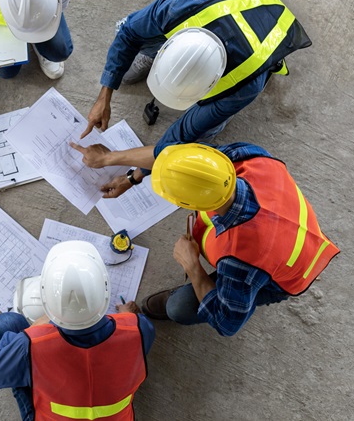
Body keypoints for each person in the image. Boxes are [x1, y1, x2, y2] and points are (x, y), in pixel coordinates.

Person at [80, 0, 312, 197]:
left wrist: (126, 172)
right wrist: (105, 95)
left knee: (203, 130)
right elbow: (129, 34)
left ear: (211, 83)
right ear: (170, 47)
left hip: (264, 26)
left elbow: (175, 141)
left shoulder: (241, 87)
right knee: (131, 27)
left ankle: (215, 122)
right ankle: (151, 50)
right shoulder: (179, 6)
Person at [139, 142, 340, 337]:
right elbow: (183, 164)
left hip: (285, 274)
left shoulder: (241, 257)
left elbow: (227, 323)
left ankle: (250, 291)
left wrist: (193, 267)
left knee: (179, 308)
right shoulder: (249, 157)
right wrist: (120, 167)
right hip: (293, 236)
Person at [0, 241, 154, 421]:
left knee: (6, 323)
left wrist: (34, 330)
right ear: (105, 292)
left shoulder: (31, 345)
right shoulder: (139, 328)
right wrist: (128, 318)